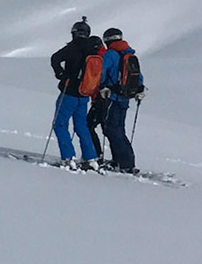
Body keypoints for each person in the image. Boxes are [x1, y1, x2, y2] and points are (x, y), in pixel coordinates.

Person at [48, 18, 101, 169]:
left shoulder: (72, 47)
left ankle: (68, 157)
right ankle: (91, 159)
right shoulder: (94, 49)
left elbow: (55, 58)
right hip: (84, 93)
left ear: (74, 33)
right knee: (81, 126)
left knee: (60, 124)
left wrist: (61, 74)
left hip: (69, 91)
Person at [99, 29, 144, 173]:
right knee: (119, 128)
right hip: (126, 96)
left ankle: (125, 163)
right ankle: (120, 160)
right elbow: (139, 77)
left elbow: (102, 72)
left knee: (111, 129)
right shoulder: (129, 54)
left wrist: (101, 87)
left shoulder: (111, 54)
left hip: (113, 96)